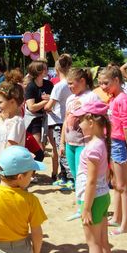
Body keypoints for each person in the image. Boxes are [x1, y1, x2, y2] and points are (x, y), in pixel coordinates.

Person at [69, 101, 113, 253]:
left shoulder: (94, 147)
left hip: (93, 199)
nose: (79, 124)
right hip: (101, 196)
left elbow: (91, 181)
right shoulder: (100, 143)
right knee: (102, 241)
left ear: (91, 122)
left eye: (81, 120)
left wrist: (85, 208)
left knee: (93, 242)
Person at [60, 68, 99, 202]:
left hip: (84, 143)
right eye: (68, 84)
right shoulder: (70, 98)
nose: (70, 87)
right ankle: (80, 203)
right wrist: (62, 143)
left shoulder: (91, 96)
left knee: (83, 176)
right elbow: (66, 120)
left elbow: (97, 120)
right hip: (70, 143)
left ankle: (86, 204)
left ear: (82, 81)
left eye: (72, 83)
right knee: (76, 176)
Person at [105, 65, 127, 235]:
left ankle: (125, 225)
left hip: (120, 143)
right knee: (116, 184)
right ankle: (117, 217)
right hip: (114, 142)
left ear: (116, 80)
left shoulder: (122, 99)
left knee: (123, 186)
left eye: (106, 83)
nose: (103, 87)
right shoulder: (114, 98)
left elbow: (126, 126)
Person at [45, 54, 73, 187]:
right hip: (69, 120)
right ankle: (65, 176)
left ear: (57, 69)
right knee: (67, 150)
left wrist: (46, 104)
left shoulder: (59, 86)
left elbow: (48, 106)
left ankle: (69, 178)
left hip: (58, 121)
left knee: (61, 150)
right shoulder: (72, 84)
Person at [0, 82, 26, 167]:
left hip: (7, 167)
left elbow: (10, 148)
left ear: (12, 102)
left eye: (0, 102)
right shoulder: (8, 120)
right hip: (0, 166)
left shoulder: (17, 122)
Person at [23, 60, 51, 146]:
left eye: (46, 68)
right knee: (37, 144)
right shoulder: (30, 87)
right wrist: (46, 101)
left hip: (46, 117)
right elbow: (31, 108)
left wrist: (51, 99)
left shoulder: (49, 84)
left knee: (43, 144)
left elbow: (55, 101)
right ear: (38, 71)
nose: (47, 70)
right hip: (33, 118)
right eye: (44, 69)